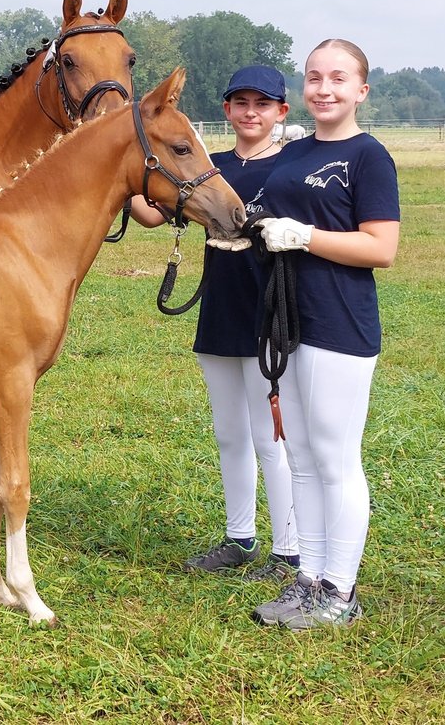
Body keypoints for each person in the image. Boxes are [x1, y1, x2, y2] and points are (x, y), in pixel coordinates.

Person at [246, 39, 400, 630]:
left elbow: (380, 248)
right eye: (314, 77)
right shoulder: (293, 152)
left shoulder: (368, 157)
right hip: (288, 323)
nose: (324, 88)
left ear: (361, 89)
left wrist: (304, 235)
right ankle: (309, 578)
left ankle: (341, 590)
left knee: (336, 460)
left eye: (338, 78)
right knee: (302, 458)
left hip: (340, 324)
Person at [130, 64, 299, 582]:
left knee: (269, 437)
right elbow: (153, 213)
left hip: (267, 310)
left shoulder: (291, 167)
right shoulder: (211, 165)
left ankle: (289, 549)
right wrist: (119, 176)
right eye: (241, 103)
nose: (251, 113)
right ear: (226, 109)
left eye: (262, 104)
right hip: (220, 309)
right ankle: (239, 536)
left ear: (280, 112)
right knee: (230, 433)